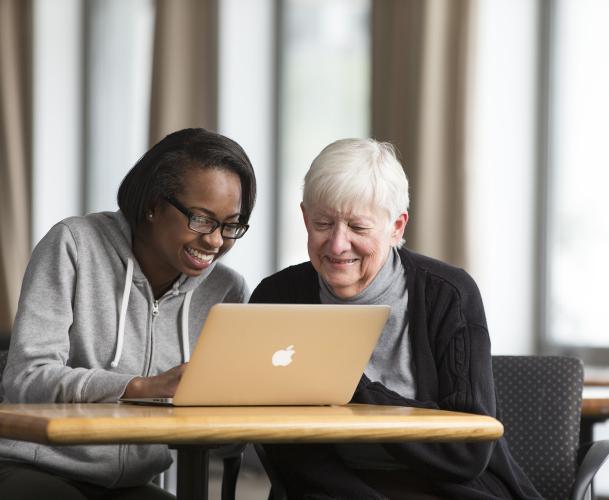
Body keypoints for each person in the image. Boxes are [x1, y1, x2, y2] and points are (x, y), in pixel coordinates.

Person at [251, 138, 542, 499]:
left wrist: (349, 389)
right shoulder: (275, 300)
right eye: (323, 223)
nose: (338, 245)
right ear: (304, 217)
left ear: (397, 226)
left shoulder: (449, 294)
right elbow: (286, 450)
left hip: (452, 490)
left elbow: (466, 452)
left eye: (358, 228)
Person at [0, 128, 256, 499]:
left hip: (133, 483)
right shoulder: (74, 245)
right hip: (30, 465)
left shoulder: (226, 291)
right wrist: (139, 389)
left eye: (231, 224)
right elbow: (26, 378)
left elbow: (223, 435)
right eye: (202, 219)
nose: (216, 240)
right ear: (154, 204)